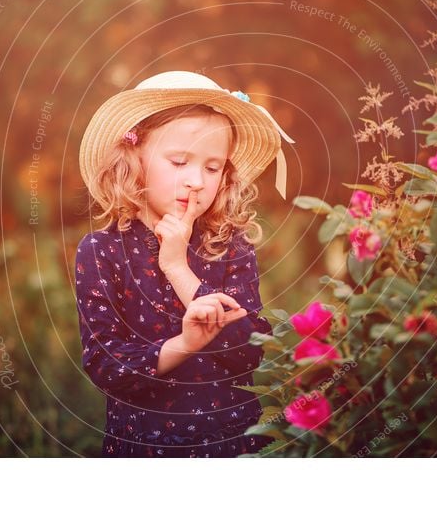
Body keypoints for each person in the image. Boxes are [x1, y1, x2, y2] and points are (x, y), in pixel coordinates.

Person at [75, 70, 295, 457]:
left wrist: (178, 269)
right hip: (145, 449)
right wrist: (185, 344)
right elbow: (107, 366)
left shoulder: (229, 247)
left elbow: (251, 350)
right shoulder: (101, 250)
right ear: (134, 156)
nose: (196, 180)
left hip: (234, 444)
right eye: (179, 161)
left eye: (212, 168)